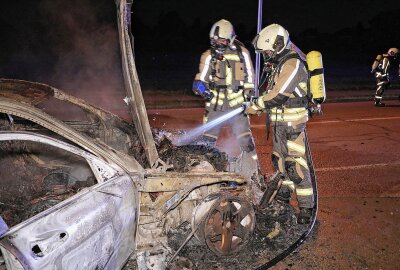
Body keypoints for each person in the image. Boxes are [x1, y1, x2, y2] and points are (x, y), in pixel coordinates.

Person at [246, 24, 314, 224]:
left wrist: (257, 105)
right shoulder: (280, 64)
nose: (266, 54)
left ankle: (306, 208)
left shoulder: (293, 64)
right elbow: (271, 93)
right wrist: (256, 102)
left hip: (292, 124)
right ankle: (284, 198)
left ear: (277, 44)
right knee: (280, 163)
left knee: (296, 167)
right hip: (279, 125)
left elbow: (279, 95)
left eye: (267, 50)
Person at [192, 19, 258, 179]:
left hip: (237, 108)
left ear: (230, 39)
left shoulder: (242, 53)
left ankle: (254, 173)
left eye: (221, 40)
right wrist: (200, 87)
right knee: (206, 143)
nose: (217, 44)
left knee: (246, 143)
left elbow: (251, 79)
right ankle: (205, 176)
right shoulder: (208, 56)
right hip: (215, 108)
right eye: (214, 41)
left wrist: (250, 96)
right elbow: (200, 79)